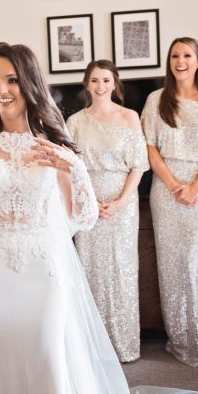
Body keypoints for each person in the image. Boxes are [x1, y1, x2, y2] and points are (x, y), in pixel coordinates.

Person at [0, 42, 130, 393]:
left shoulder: (53, 142)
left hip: (42, 272)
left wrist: (76, 169)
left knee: (44, 356)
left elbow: (83, 218)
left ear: (30, 83)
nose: (1, 91)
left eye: (11, 80)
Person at [141, 37, 198, 367]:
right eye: (175, 55)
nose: (180, 60)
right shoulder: (156, 100)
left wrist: (193, 186)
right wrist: (173, 184)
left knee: (196, 264)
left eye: (187, 55)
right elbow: (149, 147)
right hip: (165, 191)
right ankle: (178, 338)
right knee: (170, 266)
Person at [66, 60, 148, 362]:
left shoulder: (130, 117)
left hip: (122, 205)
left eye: (106, 80)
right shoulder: (75, 122)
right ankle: (94, 348)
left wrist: (122, 201)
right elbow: (71, 169)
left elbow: (139, 164)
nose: (100, 86)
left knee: (121, 271)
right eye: (94, 80)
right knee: (91, 273)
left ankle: (124, 344)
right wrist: (89, 202)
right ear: (86, 84)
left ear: (115, 84)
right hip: (88, 205)